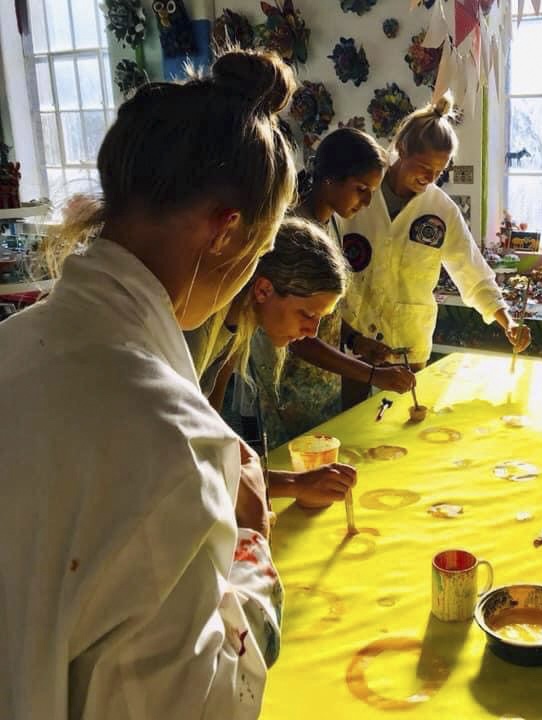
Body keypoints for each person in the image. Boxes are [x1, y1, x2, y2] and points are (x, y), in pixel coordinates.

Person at [0, 50, 357, 718]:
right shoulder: (172, 444)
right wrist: (250, 541)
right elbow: (204, 704)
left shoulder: (13, 346)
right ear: (227, 233)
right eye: (258, 251)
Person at [339, 93, 530, 380]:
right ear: (402, 148)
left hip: (408, 345)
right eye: (424, 167)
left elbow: (473, 273)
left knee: (402, 419)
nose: (430, 178)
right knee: (353, 422)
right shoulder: (358, 195)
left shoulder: (440, 209)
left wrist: (508, 321)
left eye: (439, 172)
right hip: (352, 341)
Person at [252, 128, 415, 445]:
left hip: (320, 381)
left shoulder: (330, 224)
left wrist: (355, 340)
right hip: (287, 381)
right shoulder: (294, 230)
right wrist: (371, 375)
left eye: (371, 192)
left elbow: (319, 311)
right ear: (329, 179)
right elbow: (299, 336)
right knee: (296, 459)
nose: (367, 201)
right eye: (361, 189)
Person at [186, 217, 360, 505]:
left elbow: (212, 430)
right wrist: (294, 482)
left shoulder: (238, 327)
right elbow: (192, 450)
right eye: (307, 315)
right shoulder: (199, 327)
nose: (312, 332)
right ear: (264, 290)